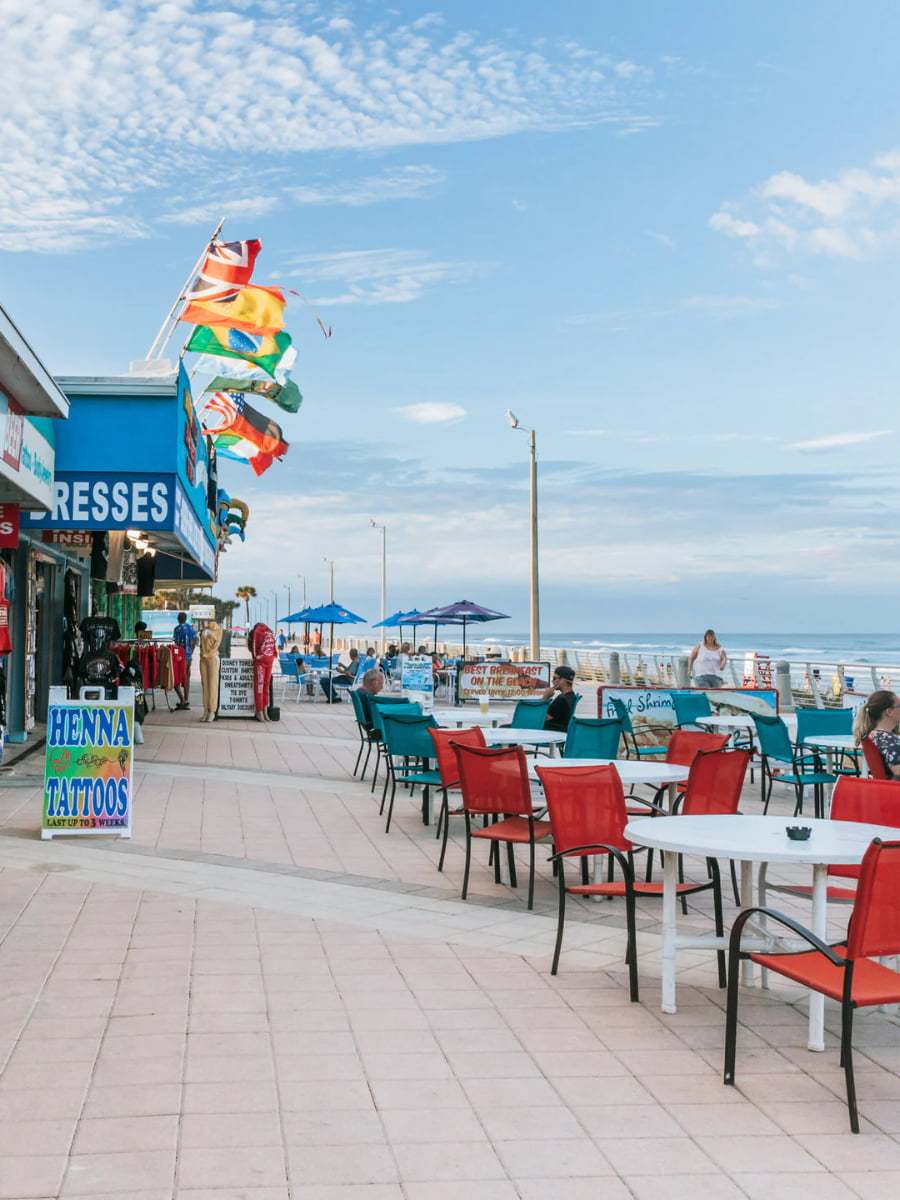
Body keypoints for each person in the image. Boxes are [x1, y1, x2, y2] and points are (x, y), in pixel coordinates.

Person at [853, 690, 900, 778]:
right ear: (889, 712)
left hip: (885, 788)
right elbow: (897, 770)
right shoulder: (888, 739)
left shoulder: (874, 736)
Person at [172, 612, 197, 710]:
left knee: (176, 678)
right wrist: (190, 652)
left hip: (180, 657)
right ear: (186, 619)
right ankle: (186, 699)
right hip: (189, 656)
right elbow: (194, 642)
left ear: (178, 619)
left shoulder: (177, 629)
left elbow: (177, 643)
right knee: (186, 678)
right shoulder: (191, 629)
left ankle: (182, 699)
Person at [542, 665, 577, 732]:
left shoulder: (562, 699)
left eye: (555, 678)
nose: (552, 681)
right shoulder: (571, 696)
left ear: (563, 680)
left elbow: (545, 718)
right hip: (560, 729)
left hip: (552, 730)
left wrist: (544, 698)